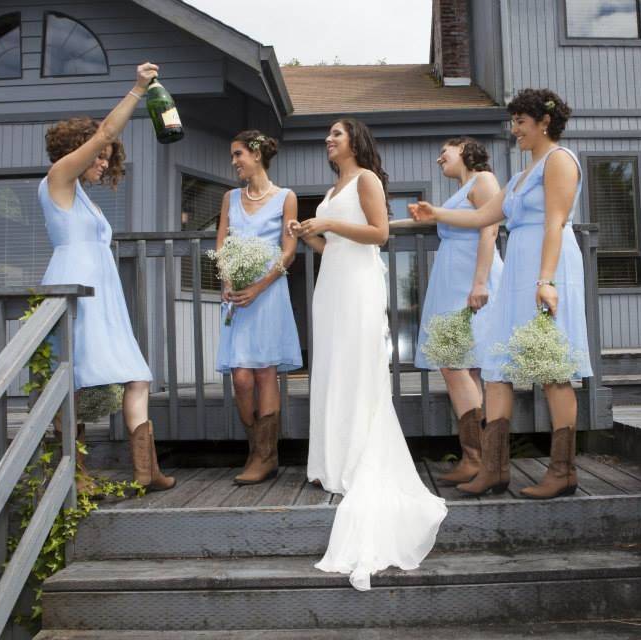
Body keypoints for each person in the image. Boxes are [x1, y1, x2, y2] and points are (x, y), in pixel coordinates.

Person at [409, 89, 592, 499]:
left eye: (520, 123)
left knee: (549, 365)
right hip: (518, 272)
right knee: (496, 363)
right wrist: (435, 213)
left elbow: (555, 223)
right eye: (512, 123)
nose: (514, 131)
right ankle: (494, 468)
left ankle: (563, 471)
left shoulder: (560, 161)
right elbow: (480, 216)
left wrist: (545, 281)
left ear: (544, 122)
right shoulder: (522, 175)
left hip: (549, 265)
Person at [289, 117, 447, 590]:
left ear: (354, 140)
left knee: (358, 368)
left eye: (336, 134)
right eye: (327, 136)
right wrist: (306, 236)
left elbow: (379, 234)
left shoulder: (367, 179)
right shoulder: (335, 184)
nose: (328, 140)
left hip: (359, 285)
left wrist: (331, 222)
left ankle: (357, 458)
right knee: (333, 370)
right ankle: (332, 462)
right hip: (331, 282)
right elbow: (329, 245)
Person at [40, 62, 174, 492]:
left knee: (137, 376)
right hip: (75, 290)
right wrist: (138, 89)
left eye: (106, 158)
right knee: (73, 382)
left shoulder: (83, 198)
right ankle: (73, 476)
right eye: (98, 155)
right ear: (73, 150)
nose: (103, 160)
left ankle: (145, 472)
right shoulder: (57, 179)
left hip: (105, 295)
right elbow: (104, 133)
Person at [413, 137, 503, 487]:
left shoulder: (484, 180)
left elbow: (489, 228)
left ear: (465, 151)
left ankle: (477, 458)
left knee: (452, 363)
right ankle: (480, 461)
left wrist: (480, 283)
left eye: (443, 152)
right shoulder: (461, 190)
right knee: (467, 366)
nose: (439, 159)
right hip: (452, 279)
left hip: (471, 278)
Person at [214, 130, 302, 485]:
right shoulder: (229, 197)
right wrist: (228, 278)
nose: (234, 161)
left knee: (265, 371)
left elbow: (289, 249)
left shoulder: (286, 197)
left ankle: (265, 457)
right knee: (241, 376)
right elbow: (221, 242)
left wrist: (260, 286)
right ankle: (255, 448)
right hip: (237, 294)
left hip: (268, 293)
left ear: (255, 153)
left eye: (238, 154)